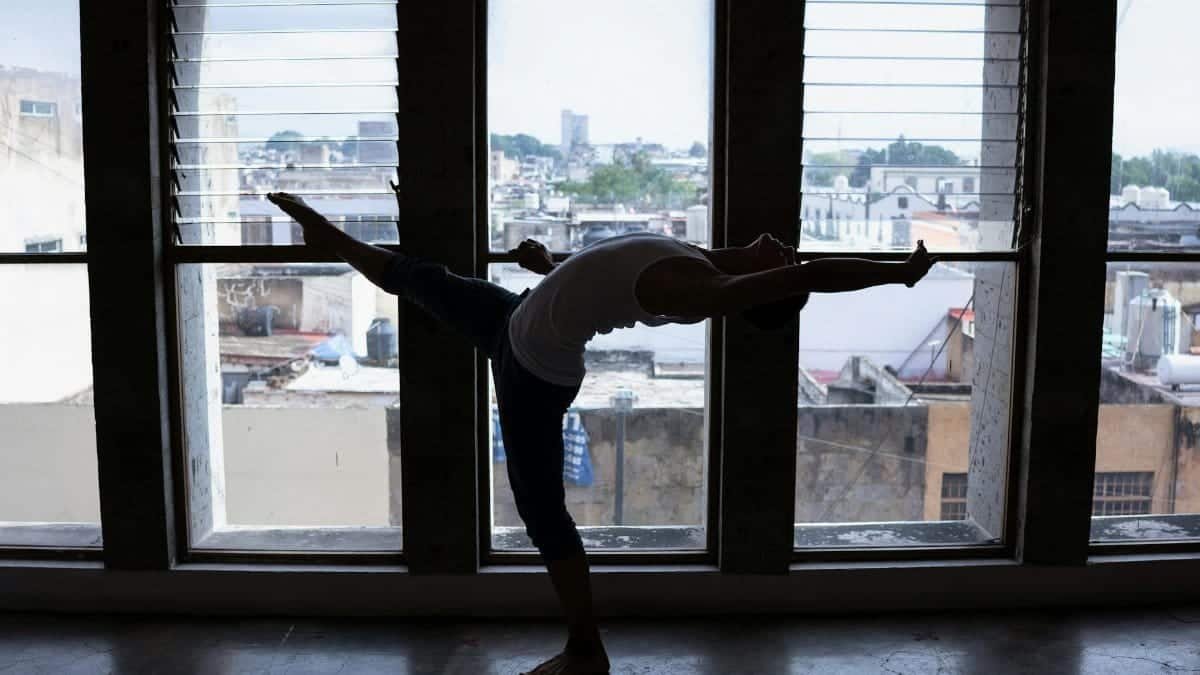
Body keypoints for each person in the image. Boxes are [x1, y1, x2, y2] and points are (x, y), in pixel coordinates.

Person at [266, 191, 936, 675]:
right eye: (786, 254)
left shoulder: (701, 287)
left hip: (533, 368)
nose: (787, 248)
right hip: (515, 319)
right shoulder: (703, 259)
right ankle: (329, 238)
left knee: (542, 511)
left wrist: (901, 276)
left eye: (784, 262)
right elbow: (604, 276)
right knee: (419, 279)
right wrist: (548, 265)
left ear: (763, 284)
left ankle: (586, 649)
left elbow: (813, 274)